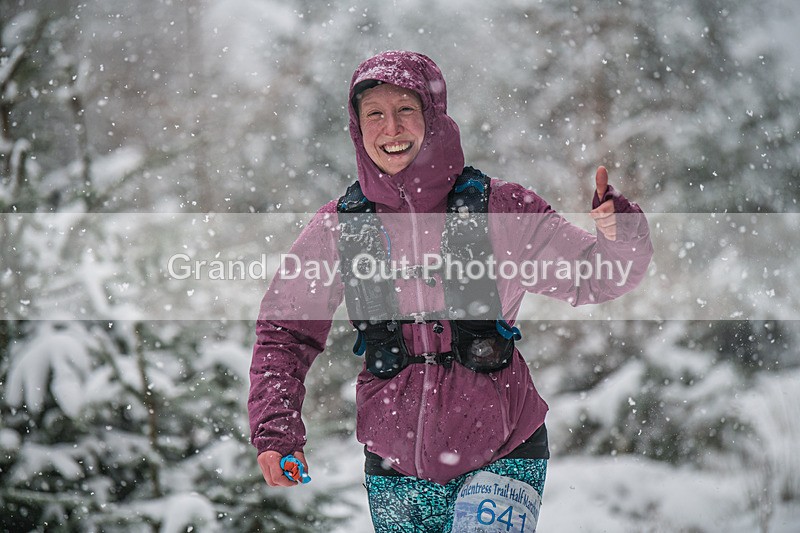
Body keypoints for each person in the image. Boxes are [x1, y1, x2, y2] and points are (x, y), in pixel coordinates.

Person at [248, 50, 653, 531]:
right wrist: (276, 431)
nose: (391, 129)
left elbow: (597, 275)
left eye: (405, 110)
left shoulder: (499, 209)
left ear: (432, 118)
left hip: (503, 452)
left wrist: (620, 231)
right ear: (357, 129)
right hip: (394, 462)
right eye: (374, 114)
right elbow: (284, 331)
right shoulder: (340, 226)